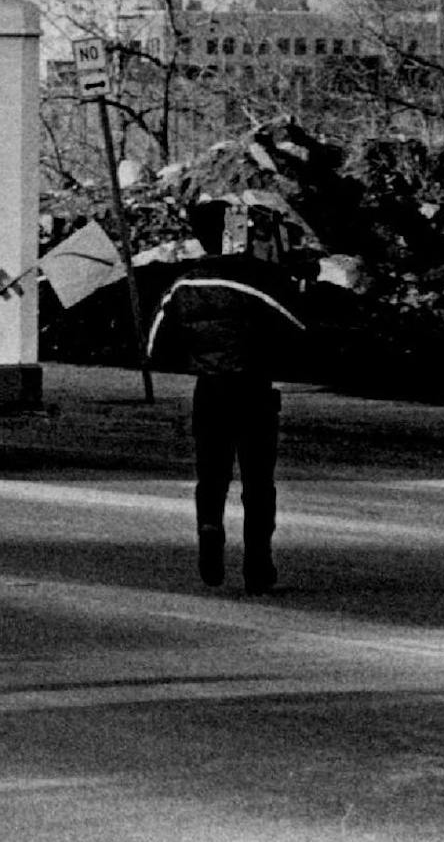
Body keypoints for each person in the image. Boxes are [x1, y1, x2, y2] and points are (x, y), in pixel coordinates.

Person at [146, 197, 307, 594]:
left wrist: (198, 355)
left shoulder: (184, 284)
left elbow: (155, 346)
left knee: (211, 475)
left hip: (209, 390)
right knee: (258, 480)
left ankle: (210, 531)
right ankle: (258, 562)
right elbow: (298, 330)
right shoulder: (256, 281)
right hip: (253, 390)